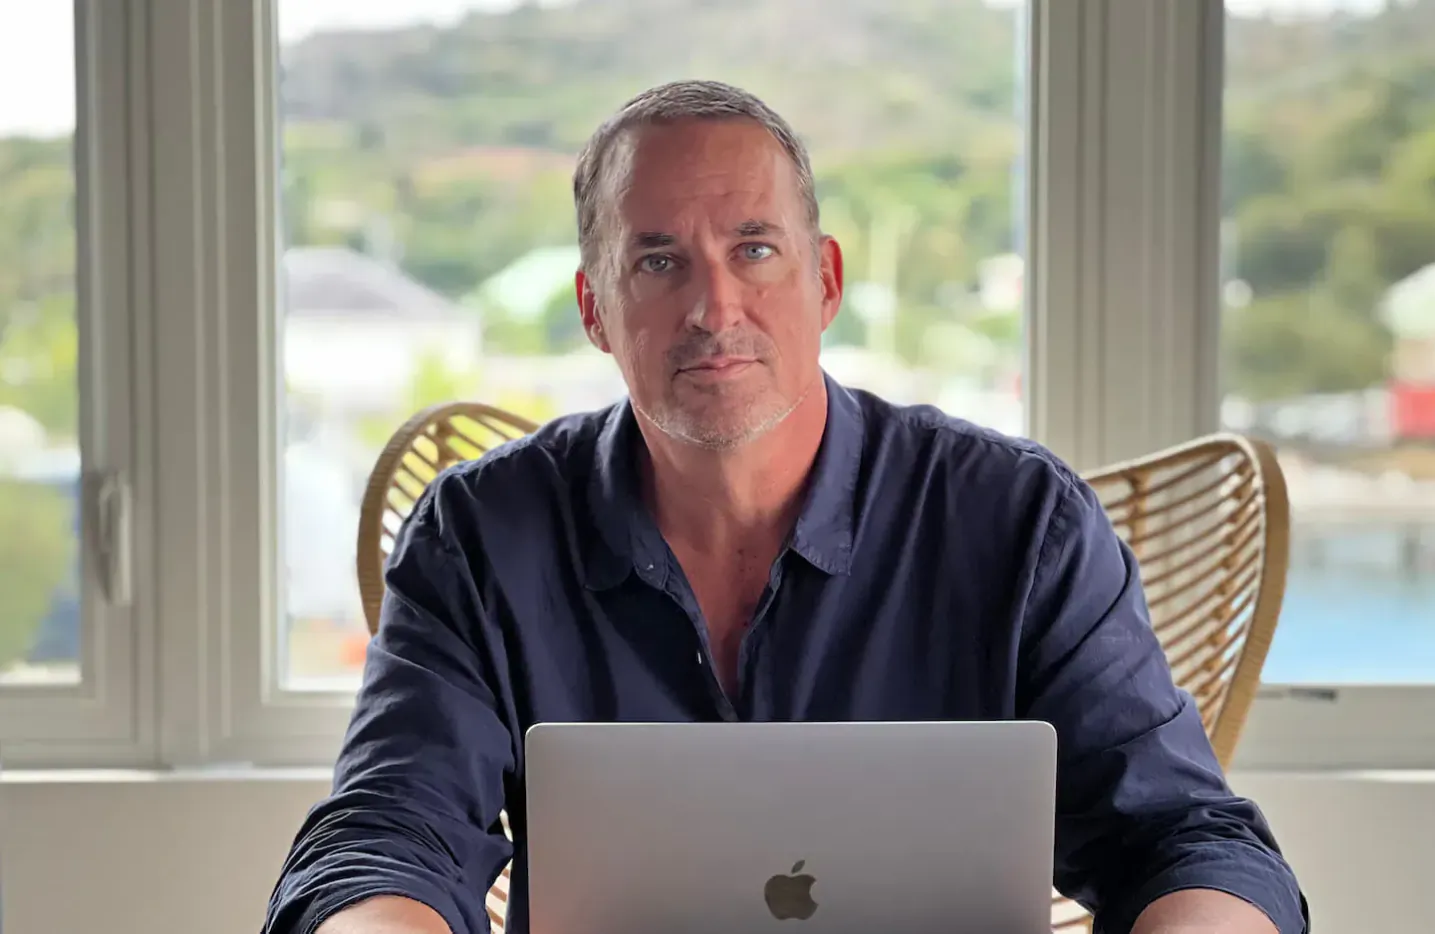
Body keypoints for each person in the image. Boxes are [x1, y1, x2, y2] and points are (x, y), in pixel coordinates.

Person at [263, 79, 1308, 934]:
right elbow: (387, 832)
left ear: (825, 280)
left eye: (754, 249)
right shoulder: (482, 534)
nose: (715, 307)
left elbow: (1181, 835)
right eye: (658, 261)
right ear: (594, 309)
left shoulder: (1019, 521)